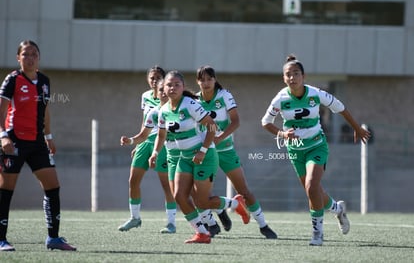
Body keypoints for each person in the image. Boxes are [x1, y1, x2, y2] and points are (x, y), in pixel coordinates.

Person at [261, 54, 371, 246]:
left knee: (312, 186)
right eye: (288, 74)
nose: (292, 77)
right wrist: (283, 134)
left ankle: (317, 233)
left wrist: (356, 128)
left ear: (304, 76)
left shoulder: (315, 93)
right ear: (284, 78)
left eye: (296, 73)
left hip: (316, 146)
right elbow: (265, 123)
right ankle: (337, 209)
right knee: (313, 191)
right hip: (295, 150)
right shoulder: (280, 98)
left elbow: (340, 108)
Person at [149, 70, 250, 244]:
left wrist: (203, 150)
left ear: (183, 87)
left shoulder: (190, 104)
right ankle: (202, 233)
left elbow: (211, 126)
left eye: (177, 84)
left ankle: (235, 204)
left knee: (201, 201)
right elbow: (161, 135)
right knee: (179, 196)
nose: (173, 88)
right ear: (163, 89)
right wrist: (155, 153)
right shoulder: (164, 110)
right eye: (169, 85)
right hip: (184, 158)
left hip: (205, 156)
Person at [0, 40, 76, 251]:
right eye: (25, 54)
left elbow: (45, 110)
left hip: (37, 143)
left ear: (39, 58)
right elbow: (1, 110)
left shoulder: (44, 81)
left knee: (52, 186)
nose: (30, 57)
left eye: (34, 54)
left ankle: (53, 238)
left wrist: (48, 136)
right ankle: (1, 239)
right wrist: (3, 136)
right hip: (13, 141)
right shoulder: (12, 80)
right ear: (18, 58)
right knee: (6, 189)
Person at [196, 65, 277, 239]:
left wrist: (219, 138)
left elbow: (236, 122)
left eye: (209, 79)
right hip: (206, 153)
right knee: (200, 195)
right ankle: (215, 220)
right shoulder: (194, 100)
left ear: (215, 79)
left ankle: (263, 225)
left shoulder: (224, 95)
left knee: (244, 191)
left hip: (225, 151)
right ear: (198, 82)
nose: (206, 83)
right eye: (202, 79)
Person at [118, 67, 177, 234]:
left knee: (167, 185)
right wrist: (135, 143)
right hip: (145, 142)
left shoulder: (173, 102)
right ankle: (135, 218)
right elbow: (145, 123)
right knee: (133, 180)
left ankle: (171, 223)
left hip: (164, 144)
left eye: (158, 78)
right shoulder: (146, 97)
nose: (154, 80)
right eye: (152, 77)